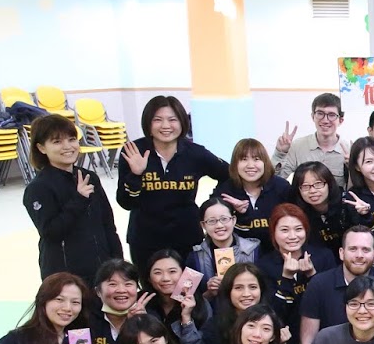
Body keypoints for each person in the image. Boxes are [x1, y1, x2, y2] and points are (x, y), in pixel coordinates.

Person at [117, 95, 229, 264]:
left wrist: (213, 203)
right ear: (148, 123)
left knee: (190, 281)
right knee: (149, 282)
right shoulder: (133, 151)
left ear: (182, 123)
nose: (165, 126)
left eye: (172, 119)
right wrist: (136, 175)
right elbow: (125, 203)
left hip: (186, 237)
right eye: (158, 120)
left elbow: (228, 174)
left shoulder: (195, 153)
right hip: (145, 240)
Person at [23, 113, 122, 282]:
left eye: (72, 139)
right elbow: (51, 232)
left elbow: (107, 224)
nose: (68, 146)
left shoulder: (89, 177)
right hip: (66, 277)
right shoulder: (39, 188)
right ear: (41, 148)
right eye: (57, 142)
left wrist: (117, 263)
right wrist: (79, 200)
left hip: (102, 270)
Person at [300, 226, 374, 344]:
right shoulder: (319, 283)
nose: (359, 255)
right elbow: (307, 342)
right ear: (341, 253)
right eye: (353, 249)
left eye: (365, 250)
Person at [257, 203, 338, 344]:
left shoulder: (323, 256)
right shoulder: (264, 266)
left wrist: (313, 276)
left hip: (323, 340)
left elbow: (332, 305)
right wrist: (286, 279)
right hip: (285, 343)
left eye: (298, 229)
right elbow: (271, 313)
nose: (292, 236)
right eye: (284, 230)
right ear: (273, 232)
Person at [213, 138, 291, 254]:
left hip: (279, 254)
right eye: (244, 159)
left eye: (256, 159)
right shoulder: (225, 190)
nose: (250, 165)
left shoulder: (281, 187)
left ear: (265, 162)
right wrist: (232, 211)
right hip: (239, 256)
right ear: (235, 164)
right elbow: (212, 224)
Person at [187, 198, 260, 302]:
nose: (219, 225)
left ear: (234, 220)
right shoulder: (196, 256)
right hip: (212, 311)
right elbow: (184, 297)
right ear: (203, 225)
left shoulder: (253, 250)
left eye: (224, 219)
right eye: (211, 221)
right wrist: (209, 293)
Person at [142, 250, 206, 344]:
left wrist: (186, 318)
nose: (165, 278)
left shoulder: (200, 303)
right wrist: (138, 321)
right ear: (149, 278)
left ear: (184, 274)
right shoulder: (141, 302)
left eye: (172, 271)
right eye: (157, 273)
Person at [273, 92, 352, 183]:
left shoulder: (349, 151)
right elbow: (276, 181)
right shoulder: (297, 146)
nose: (325, 120)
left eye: (331, 115)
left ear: (341, 120)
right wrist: (280, 154)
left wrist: (352, 168)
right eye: (320, 113)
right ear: (312, 116)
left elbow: (356, 186)